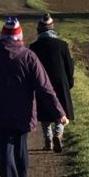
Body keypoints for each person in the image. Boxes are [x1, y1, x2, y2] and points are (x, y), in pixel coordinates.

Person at [0, 16, 67, 177]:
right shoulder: (28, 56)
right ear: (19, 36)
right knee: (20, 146)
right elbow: (45, 87)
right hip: (22, 111)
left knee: (4, 149)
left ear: (2, 35)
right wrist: (59, 113)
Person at [29, 13, 75, 152]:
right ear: (52, 27)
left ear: (39, 29)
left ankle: (48, 140)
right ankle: (58, 133)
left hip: (42, 83)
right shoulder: (62, 45)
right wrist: (69, 82)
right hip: (60, 82)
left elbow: (31, 68)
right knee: (61, 109)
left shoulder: (34, 47)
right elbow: (69, 66)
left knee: (44, 111)